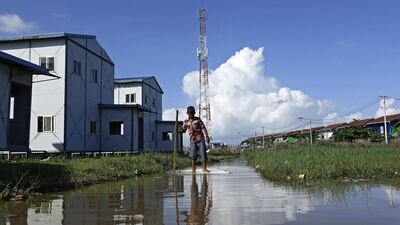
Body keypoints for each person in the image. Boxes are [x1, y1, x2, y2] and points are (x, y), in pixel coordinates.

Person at [179, 106, 211, 173]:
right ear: (187, 113)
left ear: (194, 113)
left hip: (200, 139)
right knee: (193, 155)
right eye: (190, 113)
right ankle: (193, 169)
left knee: (203, 153)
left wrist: (207, 136)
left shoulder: (198, 119)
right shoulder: (186, 122)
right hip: (192, 140)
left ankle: (204, 168)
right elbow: (183, 130)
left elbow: (203, 128)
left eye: (192, 113)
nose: (191, 115)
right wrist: (178, 131)